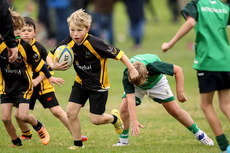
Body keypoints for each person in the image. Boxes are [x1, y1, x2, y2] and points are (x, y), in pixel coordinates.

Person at [46, 9, 139, 149]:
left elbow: (120, 54)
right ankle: (78, 145)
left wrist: (132, 69)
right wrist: (53, 65)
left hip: (98, 86)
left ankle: (114, 118)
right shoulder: (68, 43)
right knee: (70, 113)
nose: (75, 34)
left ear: (87, 29)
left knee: (95, 119)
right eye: (72, 30)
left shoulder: (96, 43)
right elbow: (50, 55)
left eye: (79, 30)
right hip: (80, 83)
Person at [161, 0, 230, 152]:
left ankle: (225, 147)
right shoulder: (224, 7)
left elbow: (191, 23)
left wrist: (170, 44)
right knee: (226, 105)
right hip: (226, 61)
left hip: (208, 61)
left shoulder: (196, 5)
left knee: (206, 105)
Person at [113, 54, 214, 147]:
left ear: (148, 73)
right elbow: (130, 100)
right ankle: (123, 141)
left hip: (157, 83)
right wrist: (134, 121)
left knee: (174, 110)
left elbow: (178, 70)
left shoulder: (154, 66)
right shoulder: (128, 74)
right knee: (124, 107)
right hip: (137, 81)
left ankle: (200, 135)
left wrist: (180, 92)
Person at [0, 9, 63, 147]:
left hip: (24, 86)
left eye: (19, 30)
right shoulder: (1, 45)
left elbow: (39, 63)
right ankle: (16, 142)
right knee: (5, 118)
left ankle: (38, 126)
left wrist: (49, 77)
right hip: (6, 86)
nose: (17, 33)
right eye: (13, 30)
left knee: (22, 116)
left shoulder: (25, 47)